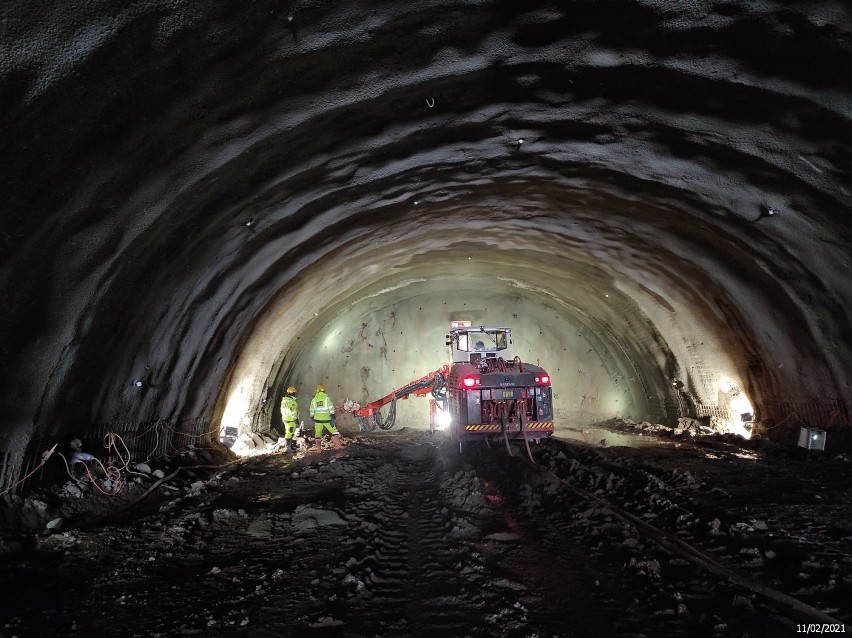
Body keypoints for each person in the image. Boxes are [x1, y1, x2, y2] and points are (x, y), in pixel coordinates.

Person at [310, 384, 343, 451]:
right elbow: (330, 408)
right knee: (334, 432)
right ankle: (338, 446)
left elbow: (311, 410)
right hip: (327, 419)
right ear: (324, 391)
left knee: (318, 434)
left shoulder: (313, 400)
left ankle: (318, 449)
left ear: (317, 391)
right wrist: (332, 415)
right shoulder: (326, 398)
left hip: (317, 420)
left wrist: (312, 417)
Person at [279, 386, 299, 453]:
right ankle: (288, 447)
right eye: (294, 393)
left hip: (285, 418)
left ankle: (291, 446)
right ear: (293, 393)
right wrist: (295, 419)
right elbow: (292, 412)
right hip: (290, 419)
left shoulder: (284, 400)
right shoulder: (291, 402)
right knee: (289, 433)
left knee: (290, 432)